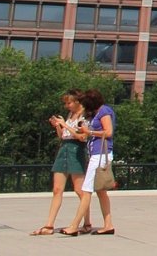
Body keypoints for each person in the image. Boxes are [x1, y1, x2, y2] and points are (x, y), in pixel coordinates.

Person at [33, 90, 91, 236]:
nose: (67, 106)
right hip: (64, 149)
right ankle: (49, 225)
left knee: (80, 190)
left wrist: (64, 125)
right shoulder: (70, 114)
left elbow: (82, 137)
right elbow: (63, 136)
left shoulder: (85, 115)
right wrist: (58, 126)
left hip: (77, 150)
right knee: (57, 189)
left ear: (78, 102)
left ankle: (87, 222)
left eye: (69, 102)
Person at [60, 89, 115, 236]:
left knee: (86, 190)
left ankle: (74, 226)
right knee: (101, 191)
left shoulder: (104, 111)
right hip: (96, 153)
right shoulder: (99, 112)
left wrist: (89, 132)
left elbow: (109, 132)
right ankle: (108, 225)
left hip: (100, 154)